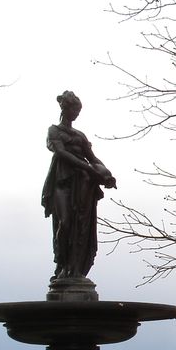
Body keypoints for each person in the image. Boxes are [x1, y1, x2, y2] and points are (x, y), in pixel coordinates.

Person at [42, 91, 116, 281]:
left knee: (80, 226)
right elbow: (61, 153)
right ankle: (61, 263)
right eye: (74, 109)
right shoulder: (54, 131)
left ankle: (75, 268)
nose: (76, 114)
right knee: (65, 223)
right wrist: (89, 169)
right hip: (62, 181)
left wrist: (106, 173)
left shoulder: (80, 136)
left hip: (82, 184)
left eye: (78, 111)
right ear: (65, 109)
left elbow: (93, 158)